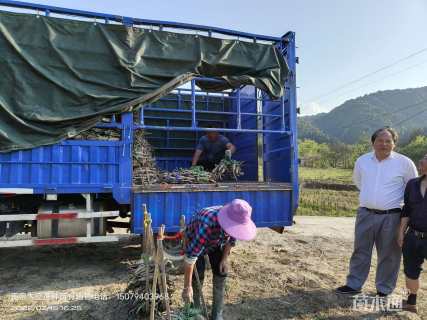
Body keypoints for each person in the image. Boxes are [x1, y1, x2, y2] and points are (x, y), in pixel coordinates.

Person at [336, 127, 418, 296]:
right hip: (365, 213)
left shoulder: (405, 163)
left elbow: (412, 189)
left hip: (392, 216)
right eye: (380, 140)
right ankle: (353, 285)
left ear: (394, 144)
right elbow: (359, 182)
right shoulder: (362, 161)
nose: (384, 144)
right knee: (360, 250)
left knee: (389, 254)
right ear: (373, 142)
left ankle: (384, 289)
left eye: (388, 141)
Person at [181, 199, 256, 320]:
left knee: (222, 272)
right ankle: (196, 311)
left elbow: (231, 240)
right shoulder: (207, 223)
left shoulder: (235, 219)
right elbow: (190, 258)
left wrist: (224, 259)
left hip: (215, 243)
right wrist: (187, 287)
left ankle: (217, 314)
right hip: (196, 239)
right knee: (198, 274)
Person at [398, 153, 427, 314]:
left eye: (426, 158)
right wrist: (401, 233)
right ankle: (411, 302)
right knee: (410, 270)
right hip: (413, 236)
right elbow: (407, 210)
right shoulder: (412, 184)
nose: (421, 161)